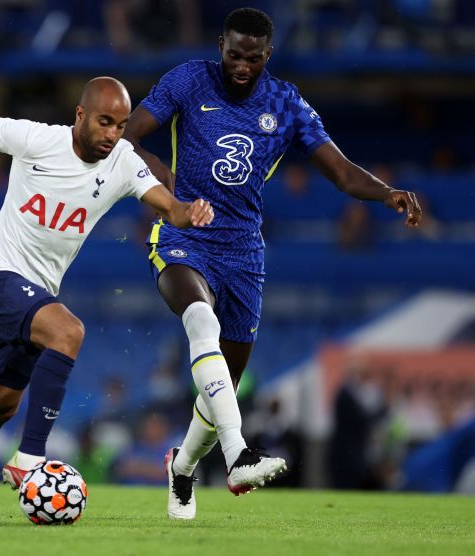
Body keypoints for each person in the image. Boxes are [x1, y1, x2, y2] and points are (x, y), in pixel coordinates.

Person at [0, 76, 214, 517]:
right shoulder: (37, 139)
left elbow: (170, 206)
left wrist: (191, 211)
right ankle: (29, 460)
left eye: (121, 125)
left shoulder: (123, 160)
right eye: (105, 122)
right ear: (81, 115)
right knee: (68, 331)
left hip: (36, 295)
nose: (112, 134)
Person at [122, 7, 423, 519]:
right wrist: (163, 186)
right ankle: (240, 456)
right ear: (221, 45)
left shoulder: (285, 103)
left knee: (224, 388)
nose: (242, 65)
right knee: (200, 319)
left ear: (268, 55)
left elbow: (341, 171)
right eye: (235, 54)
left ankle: (183, 468)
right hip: (183, 236)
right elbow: (128, 136)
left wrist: (385, 192)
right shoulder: (189, 80)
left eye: (253, 58)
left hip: (243, 252)